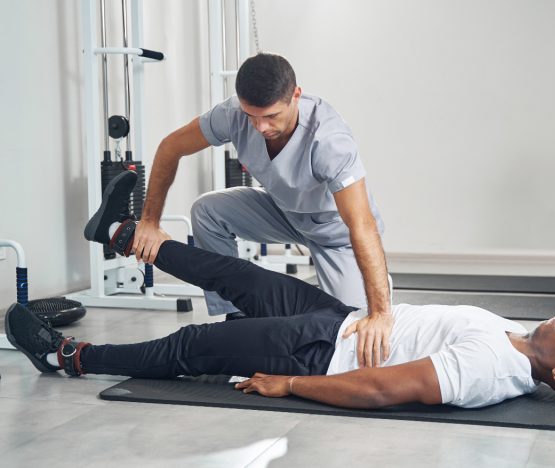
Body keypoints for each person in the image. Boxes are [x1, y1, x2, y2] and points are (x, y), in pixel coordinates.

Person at [4, 171, 555, 409]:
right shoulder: (509, 340)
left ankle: (67, 357)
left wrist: (291, 384)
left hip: (318, 352)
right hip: (340, 318)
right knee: (233, 274)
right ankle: (114, 231)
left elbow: (385, 387)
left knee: (194, 346)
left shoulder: (490, 370)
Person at [133, 52, 391, 368]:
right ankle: (236, 315)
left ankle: (372, 300)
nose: (260, 127)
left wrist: (379, 313)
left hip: (335, 235)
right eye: (251, 116)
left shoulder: (330, 141)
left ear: (296, 95)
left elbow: (362, 226)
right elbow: (170, 147)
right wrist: (149, 221)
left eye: (271, 116)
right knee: (207, 210)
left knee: (345, 338)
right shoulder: (233, 114)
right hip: (284, 212)